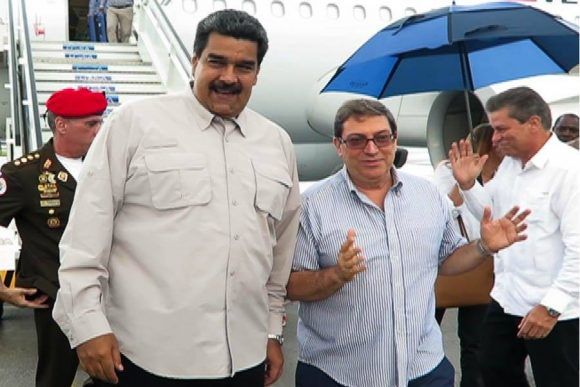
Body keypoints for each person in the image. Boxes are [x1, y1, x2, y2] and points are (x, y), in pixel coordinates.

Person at [53, 9, 300, 387]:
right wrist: (87, 327)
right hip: (144, 359)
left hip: (245, 359)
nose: (229, 77)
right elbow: (84, 240)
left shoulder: (276, 143)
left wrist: (271, 331)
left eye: (244, 66)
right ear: (195, 60)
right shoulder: (134, 125)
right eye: (216, 62)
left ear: (257, 73)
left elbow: (278, 253)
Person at [287, 99, 529, 387]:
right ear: (338, 146)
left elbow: (448, 259)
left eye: (381, 138)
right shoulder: (312, 206)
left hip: (423, 369)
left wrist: (483, 247)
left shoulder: (426, 194)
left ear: (394, 140)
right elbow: (291, 285)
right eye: (357, 141)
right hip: (340, 373)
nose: (372, 149)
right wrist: (337, 275)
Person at [450, 86, 580, 387]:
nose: (494, 139)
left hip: (555, 308)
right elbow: (492, 216)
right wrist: (468, 185)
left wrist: (551, 308)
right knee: (492, 369)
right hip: (508, 298)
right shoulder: (510, 165)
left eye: (501, 129)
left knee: (557, 380)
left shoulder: (569, 171)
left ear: (533, 123)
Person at [0, 87, 107, 387]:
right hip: (56, 293)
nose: (99, 131)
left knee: (114, 373)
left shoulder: (106, 166)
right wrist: (1, 288)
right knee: (55, 378)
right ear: (61, 124)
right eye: (91, 124)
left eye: (100, 122)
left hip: (107, 292)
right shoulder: (24, 174)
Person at [433, 123, 503, 387]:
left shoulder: (504, 176)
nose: (500, 146)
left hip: (482, 263)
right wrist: (462, 185)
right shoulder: (447, 170)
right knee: (424, 332)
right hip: (450, 258)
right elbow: (442, 210)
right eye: (494, 142)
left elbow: (496, 218)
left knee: (475, 341)